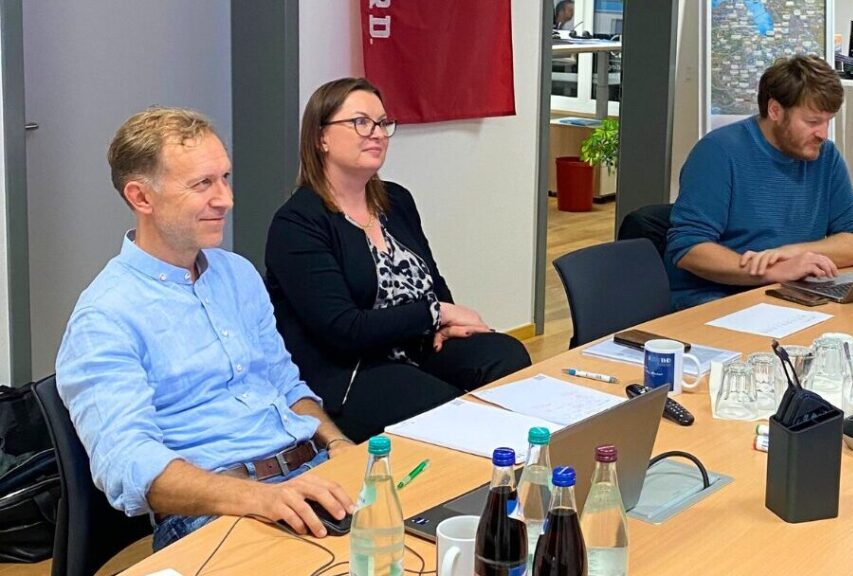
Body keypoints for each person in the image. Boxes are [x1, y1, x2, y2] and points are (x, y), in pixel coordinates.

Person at [55, 107, 355, 551]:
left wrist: (339, 443)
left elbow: (283, 381)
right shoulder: (104, 317)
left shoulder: (236, 274)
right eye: (202, 184)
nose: (226, 199)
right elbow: (129, 464)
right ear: (141, 198)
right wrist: (263, 499)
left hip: (310, 470)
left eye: (225, 178)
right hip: (217, 507)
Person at [264, 78, 531, 444]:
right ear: (320, 137)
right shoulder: (297, 223)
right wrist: (434, 314)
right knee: (443, 410)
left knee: (505, 356)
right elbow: (344, 330)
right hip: (353, 369)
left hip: (417, 346)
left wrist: (442, 322)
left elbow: (432, 283)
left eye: (383, 123)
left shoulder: (396, 200)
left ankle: (509, 469)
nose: (377, 134)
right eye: (360, 122)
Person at [665, 55, 853, 309]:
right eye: (812, 122)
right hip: (717, 298)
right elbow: (688, 249)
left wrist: (792, 253)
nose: (823, 134)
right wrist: (773, 271)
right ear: (775, 110)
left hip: (790, 295)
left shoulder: (826, 157)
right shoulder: (719, 152)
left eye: (828, 121)